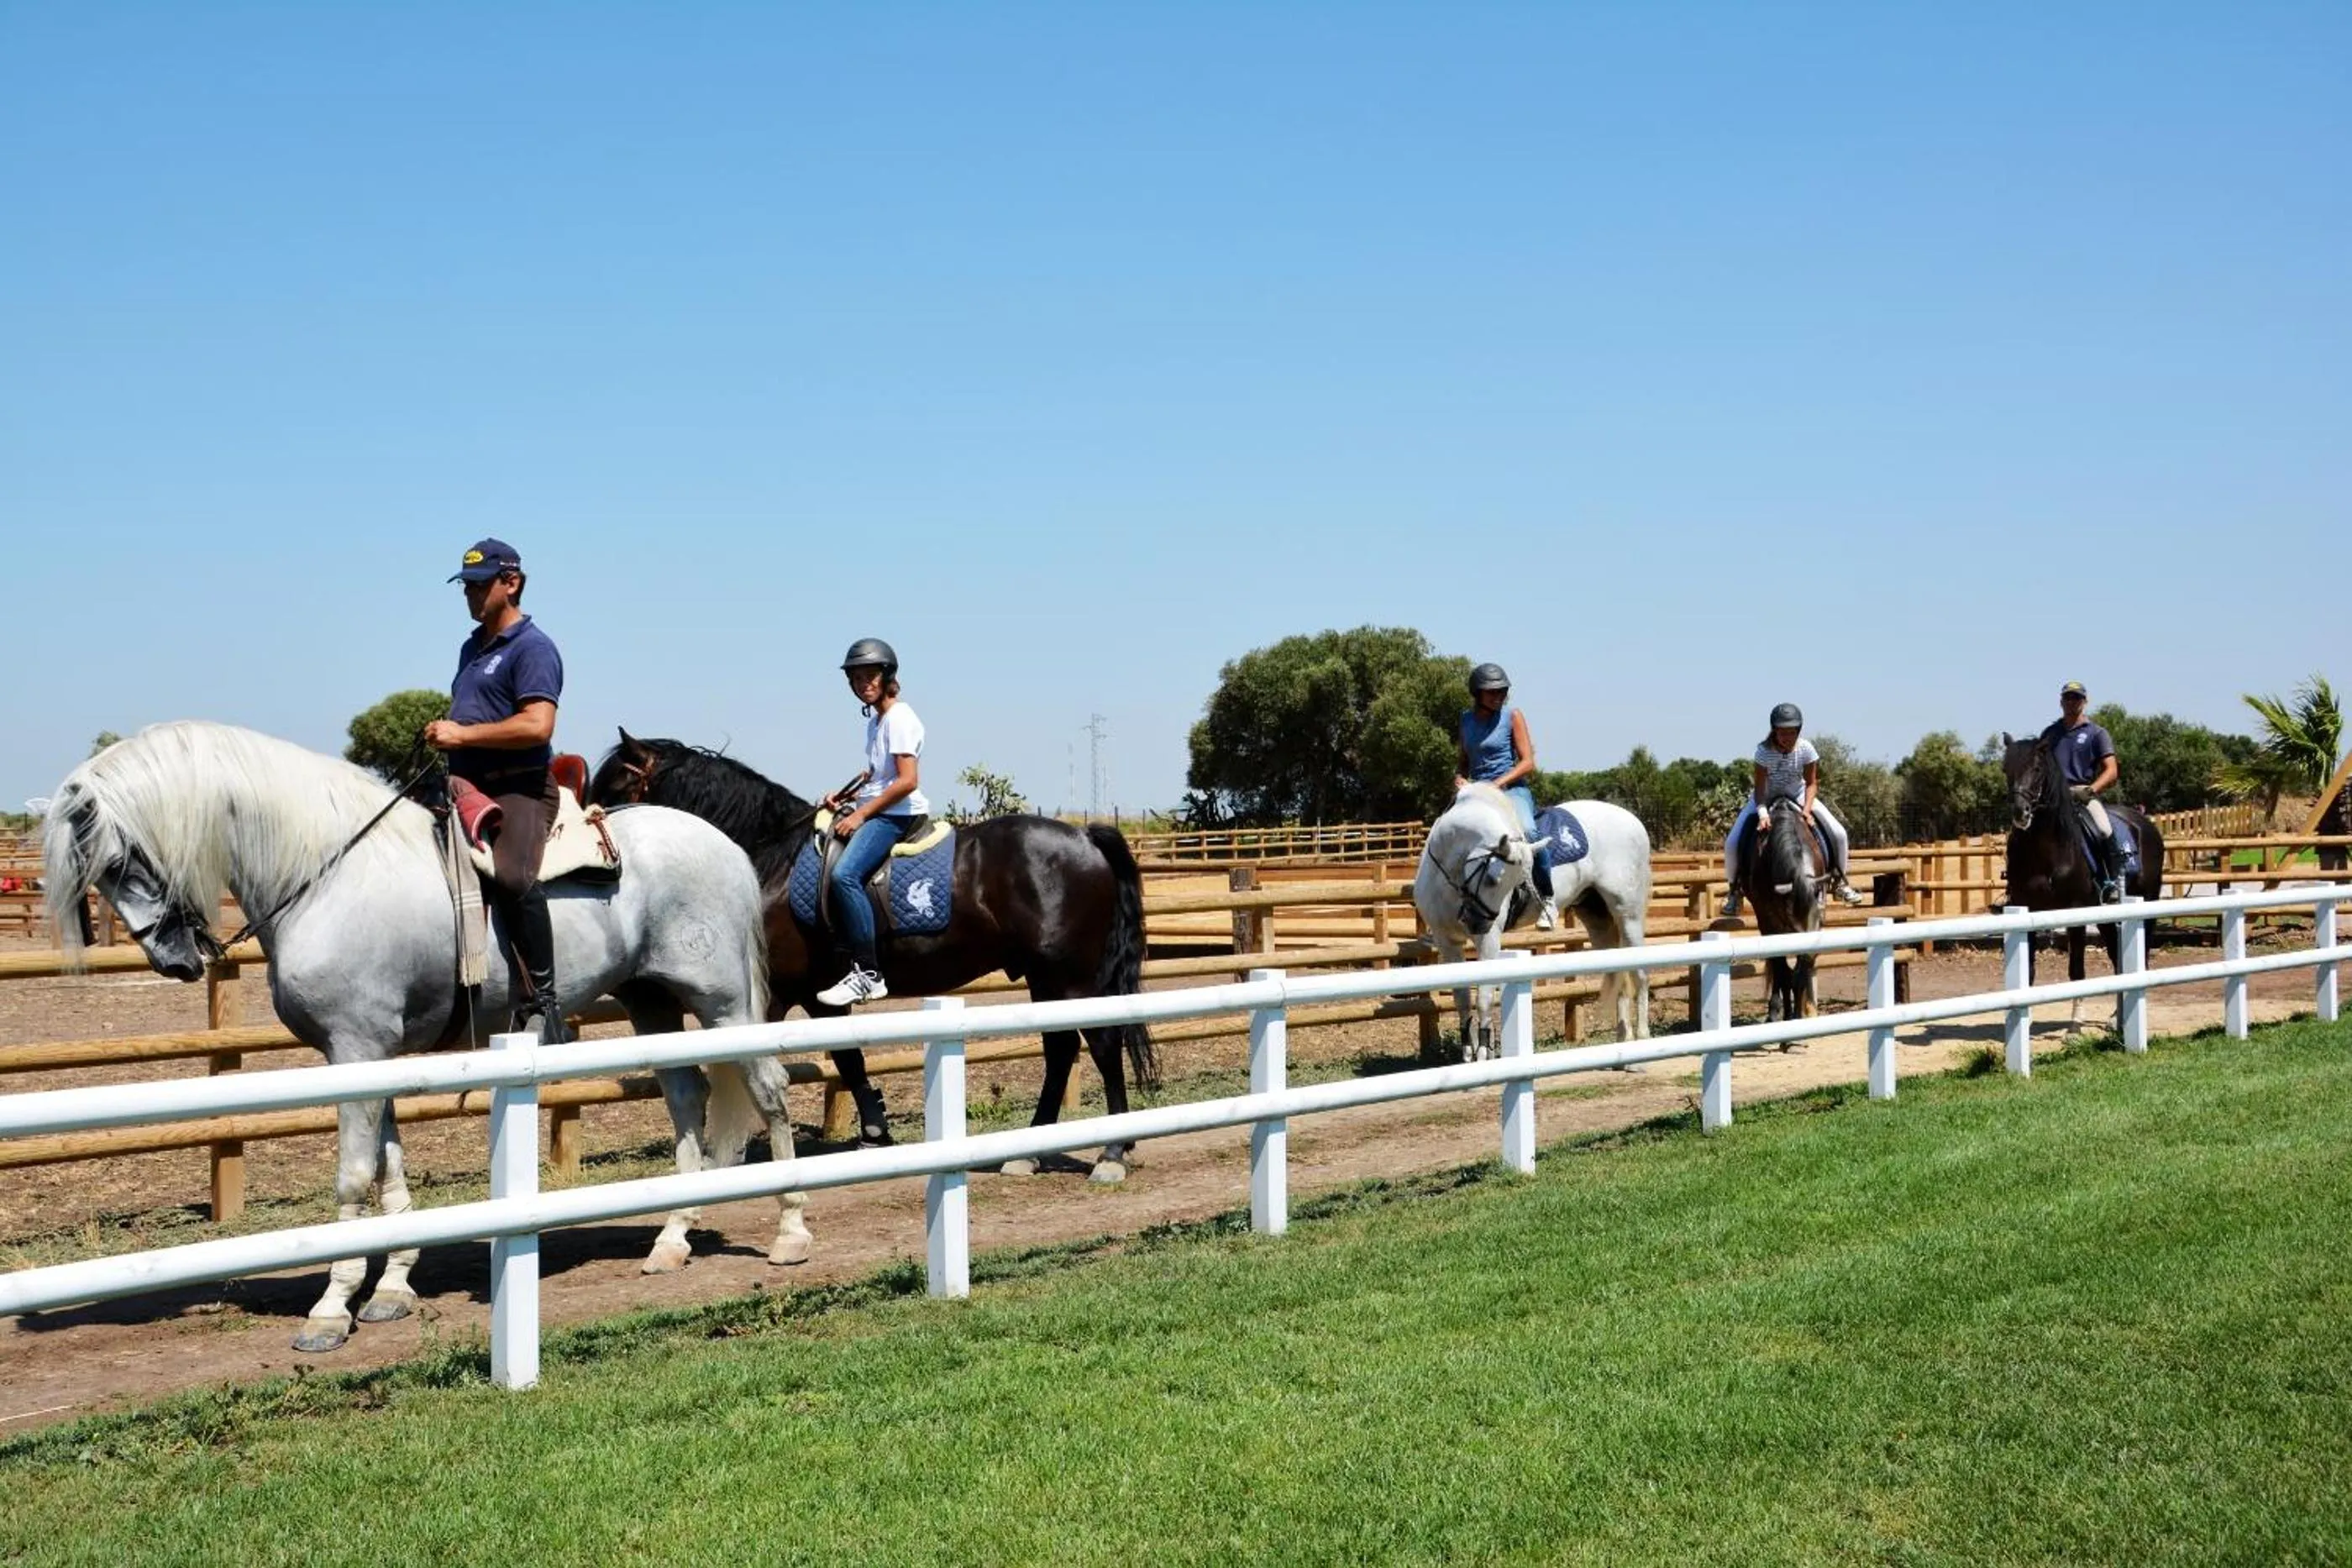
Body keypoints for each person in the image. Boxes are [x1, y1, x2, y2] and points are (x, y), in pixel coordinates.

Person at [423, 538, 570, 1042]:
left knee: (511, 878)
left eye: (479, 585)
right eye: (466, 586)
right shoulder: (472, 648)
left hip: (519, 787)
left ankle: (544, 1003)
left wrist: (462, 736)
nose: (470, 594)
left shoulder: (533, 648)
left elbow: (537, 725)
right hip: (466, 786)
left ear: (512, 583)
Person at [814, 637, 928, 1006]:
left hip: (896, 815)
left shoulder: (900, 718)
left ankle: (868, 973)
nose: (864, 683)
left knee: (845, 875)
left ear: (887, 676)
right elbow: (878, 775)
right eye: (857, 678)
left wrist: (861, 814)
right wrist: (847, 796)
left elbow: (907, 781)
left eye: (871, 676)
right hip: (879, 808)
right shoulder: (877, 722)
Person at [1720, 702, 1866, 917]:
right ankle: (1734, 891)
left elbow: (1812, 783)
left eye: (1791, 732)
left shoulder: (1806, 749)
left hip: (1797, 793)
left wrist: (1806, 810)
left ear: (1798, 730)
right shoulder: (1763, 752)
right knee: (1732, 842)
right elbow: (1759, 789)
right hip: (1767, 795)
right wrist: (1763, 813)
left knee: (1839, 834)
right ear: (1774, 731)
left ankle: (1840, 883)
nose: (1787, 737)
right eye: (1782, 732)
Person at [1455, 662, 1556, 930]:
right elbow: (1464, 761)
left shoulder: (1513, 716)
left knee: (1530, 834)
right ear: (1477, 693)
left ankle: (1547, 898)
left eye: (1502, 691)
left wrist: (1497, 784)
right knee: (1448, 835)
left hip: (1512, 790)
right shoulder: (1465, 720)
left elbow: (1528, 762)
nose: (1499, 696)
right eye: (1492, 692)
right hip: (1478, 793)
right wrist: (1459, 778)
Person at [2041, 679, 2129, 903]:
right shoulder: (2050, 733)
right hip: (2052, 796)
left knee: (2104, 829)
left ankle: (2111, 882)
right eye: (2068, 697)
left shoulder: (2097, 733)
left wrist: (2090, 791)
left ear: (2085, 702)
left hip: (2082, 792)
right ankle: (2016, 888)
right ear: (2061, 702)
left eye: (2077, 698)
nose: (2072, 702)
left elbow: (2111, 770)